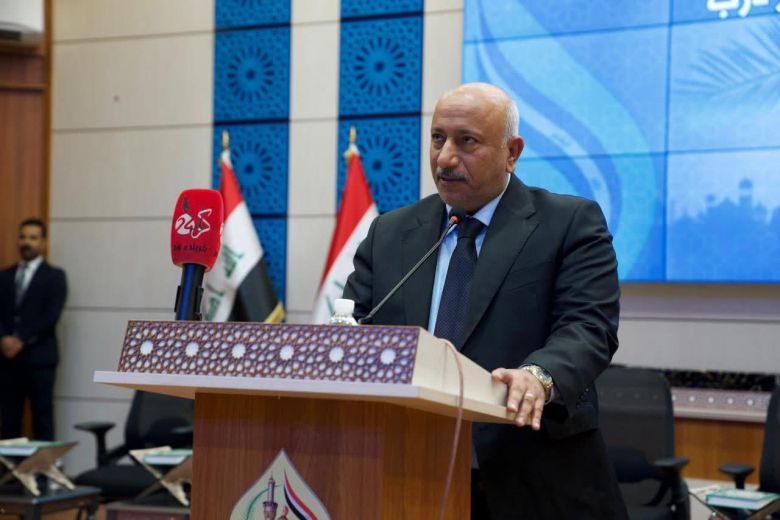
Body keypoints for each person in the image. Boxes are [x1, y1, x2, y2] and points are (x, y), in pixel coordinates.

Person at [343, 83, 627, 518]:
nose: (445, 158)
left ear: (512, 152)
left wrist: (539, 376)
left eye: (467, 141)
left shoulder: (568, 223)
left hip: (532, 478)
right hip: (407, 473)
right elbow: (354, 326)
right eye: (438, 138)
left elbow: (588, 328)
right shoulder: (390, 232)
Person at [0, 218, 67, 440]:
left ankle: (44, 464)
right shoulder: (4, 276)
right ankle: (8, 464)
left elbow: (51, 316)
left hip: (40, 358)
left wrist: (20, 339)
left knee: (42, 420)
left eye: (33, 238)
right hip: (8, 360)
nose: (26, 242)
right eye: (23, 237)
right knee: (9, 421)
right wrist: (4, 338)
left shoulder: (54, 277)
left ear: (43, 243)